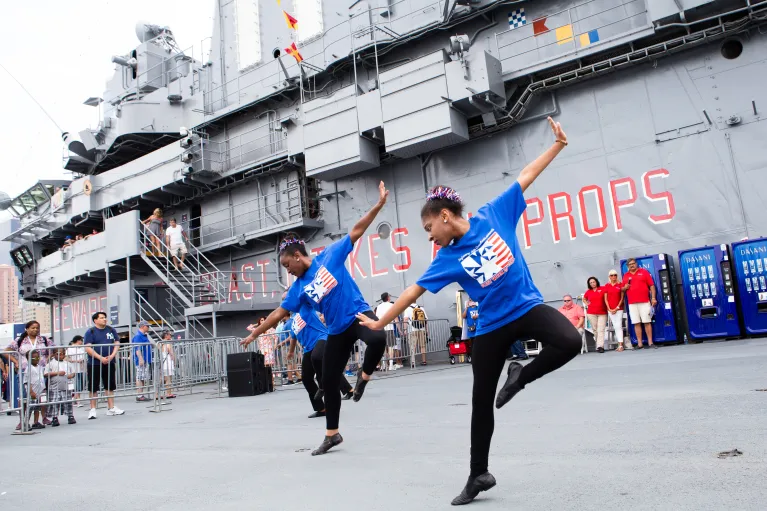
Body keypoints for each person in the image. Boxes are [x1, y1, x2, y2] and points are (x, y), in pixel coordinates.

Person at [356, 118, 581, 505]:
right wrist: (380, 321)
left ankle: (520, 376)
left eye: (429, 227)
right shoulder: (446, 258)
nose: (429, 236)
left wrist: (558, 145)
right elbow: (412, 292)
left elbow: (525, 175)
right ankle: (478, 473)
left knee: (570, 341)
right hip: (490, 327)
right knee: (481, 402)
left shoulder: (494, 215)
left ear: (445, 216)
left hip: (525, 307)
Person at [241, 181, 389, 456]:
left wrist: (378, 205)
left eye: (288, 265)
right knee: (329, 382)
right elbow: (279, 313)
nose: (288, 271)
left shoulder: (330, 257)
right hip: (335, 331)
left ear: (298, 256)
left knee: (378, 338)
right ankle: (332, 434)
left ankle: (365, 376)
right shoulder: (297, 288)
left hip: (357, 314)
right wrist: (255, 333)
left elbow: (357, 231)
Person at [285, 305, 354, 418]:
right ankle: (321, 408)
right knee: (307, 378)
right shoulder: (293, 322)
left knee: (317, 358)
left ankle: (323, 386)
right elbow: (293, 338)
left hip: (322, 339)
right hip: (308, 348)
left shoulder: (305, 308)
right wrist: (291, 352)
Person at [4, 320, 54, 426]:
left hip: (40, 371)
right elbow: (6, 351)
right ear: (26, 329)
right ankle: (22, 421)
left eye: (37, 328)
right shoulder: (20, 340)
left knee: (41, 395)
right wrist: (16, 361)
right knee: (24, 396)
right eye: (33, 328)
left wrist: (47, 359)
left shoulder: (44, 340)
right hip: (24, 371)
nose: (35, 330)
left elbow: (54, 350)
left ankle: (43, 418)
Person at [83, 312, 125, 419]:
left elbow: (117, 342)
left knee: (109, 385)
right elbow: (88, 347)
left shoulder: (111, 330)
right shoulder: (90, 331)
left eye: (105, 317)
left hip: (110, 361)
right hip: (94, 363)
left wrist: (112, 355)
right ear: (95, 320)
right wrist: (100, 358)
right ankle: (92, 409)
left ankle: (111, 408)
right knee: (93, 387)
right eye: (101, 318)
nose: (104, 319)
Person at [621, 258, 658, 349]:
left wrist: (653, 298)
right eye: (630, 264)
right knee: (636, 323)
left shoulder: (644, 272)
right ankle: (640, 343)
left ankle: (650, 342)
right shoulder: (625, 276)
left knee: (647, 322)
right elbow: (622, 289)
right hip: (632, 303)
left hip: (644, 301)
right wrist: (625, 287)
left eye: (633, 263)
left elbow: (651, 286)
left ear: (636, 264)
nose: (632, 265)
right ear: (627, 266)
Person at [44, 348, 76, 426]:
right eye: (59, 354)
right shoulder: (51, 364)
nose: (62, 355)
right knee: (55, 402)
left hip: (66, 386)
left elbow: (73, 373)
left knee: (68, 401)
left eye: (63, 353)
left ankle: (70, 415)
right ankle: (54, 417)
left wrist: (70, 375)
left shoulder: (67, 363)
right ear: (55, 354)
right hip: (55, 387)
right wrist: (57, 373)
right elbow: (45, 374)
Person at [603, 270, 628, 352]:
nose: (613, 277)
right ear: (609, 276)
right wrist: (609, 308)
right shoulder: (607, 286)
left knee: (619, 325)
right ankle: (619, 344)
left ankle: (621, 345)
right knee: (615, 326)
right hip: (610, 309)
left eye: (615, 275)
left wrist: (617, 308)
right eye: (612, 275)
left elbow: (622, 298)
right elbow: (605, 299)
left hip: (619, 309)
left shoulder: (620, 285)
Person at [376, 293, 402, 370]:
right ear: (388, 298)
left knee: (383, 347)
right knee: (391, 347)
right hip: (390, 328)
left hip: (381, 329)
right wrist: (399, 329)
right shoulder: (391, 305)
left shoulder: (379, 307)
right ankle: (390, 364)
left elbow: (377, 318)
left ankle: (384, 364)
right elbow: (396, 319)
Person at [583, 276, 608, 353]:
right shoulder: (588, 292)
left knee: (601, 329)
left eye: (593, 282)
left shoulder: (602, 288)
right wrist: (587, 303)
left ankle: (600, 346)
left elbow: (607, 297)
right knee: (595, 330)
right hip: (591, 313)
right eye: (591, 283)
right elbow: (584, 298)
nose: (592, 284)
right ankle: (598, 345)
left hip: (602, 313)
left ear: (596, 282)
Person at [23, 350, 46, 430]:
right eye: (35, 357)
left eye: (38, 357)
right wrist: (31, 391)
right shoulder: (28, 369)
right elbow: (27, 381)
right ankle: (25, 423)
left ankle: (36, 422)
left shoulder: (40, 367)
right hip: (32, 391)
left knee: (37, 407)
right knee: (30, 408)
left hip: (39, 390)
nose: (37, 359)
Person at [132, 321, 154, 402]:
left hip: (145, 360)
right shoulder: (138, 336)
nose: (148, 327)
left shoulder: (144, 335)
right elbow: (137, 348)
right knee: (140, 377)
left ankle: (141, 394)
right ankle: (139, 395)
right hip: (142, 360)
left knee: (142, 377)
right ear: (143, 326)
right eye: (147, 326)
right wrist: (140, 358)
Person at [404, 302, 429, 366]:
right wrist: (427, 330)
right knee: (422, 346)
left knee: (413, 346)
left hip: (412, 330)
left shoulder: (407, 309)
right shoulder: (421, 308)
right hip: (422, 329)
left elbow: (405, 319)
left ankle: (413, 362)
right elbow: (425, 320)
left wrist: (405, 330)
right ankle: (424, 361)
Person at [68, 336, 87, 406]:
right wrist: (75, 361)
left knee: (81, 385)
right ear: (78, 340)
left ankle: (74, 398)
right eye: (81, 340)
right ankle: (77, 400)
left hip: (81, 369)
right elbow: (66, 358)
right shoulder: (70, 348)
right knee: (77, 384)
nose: (82, 342)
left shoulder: (81, 348)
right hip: (74, 369)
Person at [160, 331, 177, 401]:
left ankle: (158, 393)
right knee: (168, 379)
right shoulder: (168, 344)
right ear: (166, 336)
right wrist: (174, 361)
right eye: (169, 334)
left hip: (163, 363)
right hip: (168, 362)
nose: (171, 336)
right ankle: (169, 393)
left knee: (163, 379)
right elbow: (171, 353)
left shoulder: (161, 344)